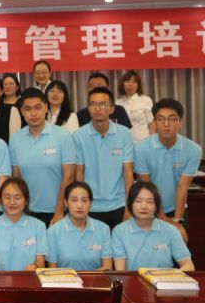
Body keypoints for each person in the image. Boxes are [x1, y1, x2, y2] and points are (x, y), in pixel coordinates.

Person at [135, 98, 201, 243]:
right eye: (161, 119)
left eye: (172, 119)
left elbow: (182, 187)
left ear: (180, 122)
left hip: (177, 209)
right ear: (154, 122)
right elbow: (147, 187)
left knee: (180, 246)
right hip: (148, 207)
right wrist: (163, 218)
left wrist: (177, 221)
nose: (166, 124)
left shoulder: (193, 150)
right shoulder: (141, 149)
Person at [10, 88, 75, 227]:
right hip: (27, 212)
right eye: (28, 109)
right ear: (22, 111)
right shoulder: (15, 139)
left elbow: (69, 176)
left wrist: (59, 211)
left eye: (38, 107)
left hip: (58, 212)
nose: (33, 113)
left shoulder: (63, 136)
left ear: (46, 108)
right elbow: (16, 178)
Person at [74, 87, 134, 229]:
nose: (97, 108)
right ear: (88, 108)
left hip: (119, 205)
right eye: (93, 104)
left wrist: (129, 207)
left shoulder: (124, 133)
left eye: (103, 104)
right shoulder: (78, 136)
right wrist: (82, 205)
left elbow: (128, 172)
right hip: (91, 207)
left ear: (111, 108)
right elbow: (79, 174)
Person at [112, 181, 193, 271]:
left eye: (150, 202)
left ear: (156, 206)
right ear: (130, 204)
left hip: (164, 278)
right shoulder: (119, 231)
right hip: (133, 279)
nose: (144, 206)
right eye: (138, 201)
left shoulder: (171, 230)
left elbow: (189, 266)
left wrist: (171, 276)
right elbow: (120, 271)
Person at [0, 177, 48, 271]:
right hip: (1, 279)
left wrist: (35, 267)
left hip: (29, 279)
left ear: (26, 200)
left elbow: (40, 262)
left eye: (17, 198)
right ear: (1, 200)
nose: (12, 202)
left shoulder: (39, 226)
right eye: (7, 197)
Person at [46, 182, 113, 271]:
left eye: (84, 200)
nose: (80, 205)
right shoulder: (53, 231)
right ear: (66, 202)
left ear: (91, 203)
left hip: (95, 279)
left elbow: (107, 267)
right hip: (64, 280)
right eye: (74, 200)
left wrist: (86, 279)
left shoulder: (103, 229)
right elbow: (52, 270)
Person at [116, 70, 155, 144]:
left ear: (138, 85)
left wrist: (153, 142)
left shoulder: (146, 100)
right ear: (123, 84)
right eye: (127, 81)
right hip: (125, 142)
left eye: (134, 82)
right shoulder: (118, 103)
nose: (130, 84)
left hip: (144, 141)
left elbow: (151, 124)